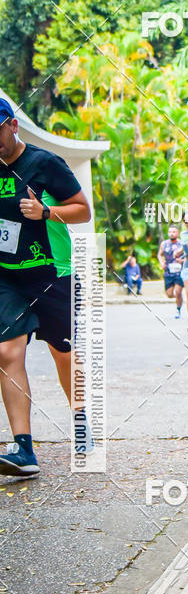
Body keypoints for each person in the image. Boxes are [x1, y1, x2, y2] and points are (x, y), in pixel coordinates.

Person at [0, 97, 92, 475]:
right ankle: (24, 450)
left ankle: (81, 419)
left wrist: (46, 212)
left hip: (54, 274)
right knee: (7, 353)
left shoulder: (45, 163)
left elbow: (82, 209)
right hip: (8, 278)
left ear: (12, 126)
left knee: (63, 353)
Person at [158, 224, 184, 317]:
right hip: (168, 272)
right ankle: (179, 298)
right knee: (169, 294)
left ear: (178, 233)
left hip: (179, 272)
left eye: (174, 232)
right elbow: (160, 255)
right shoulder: (164, 244)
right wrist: (162, 263)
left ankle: (178, 310)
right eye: (170, 232)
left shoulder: (182, 244)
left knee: (178, 291)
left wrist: (183, 261)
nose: (172, 233)